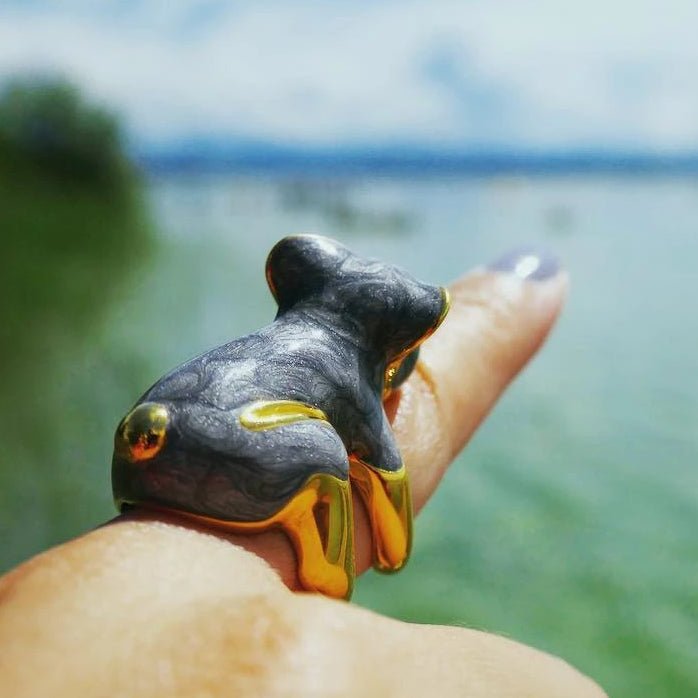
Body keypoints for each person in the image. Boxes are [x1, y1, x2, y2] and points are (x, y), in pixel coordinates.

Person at [0, 248, 606, 697]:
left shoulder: (278, 336)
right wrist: (393, 549)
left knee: (303, 438)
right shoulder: (347, 366)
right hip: (233, 449)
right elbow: (386, 468)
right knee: (330, 462)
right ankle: (325, 577)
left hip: (144, 433)